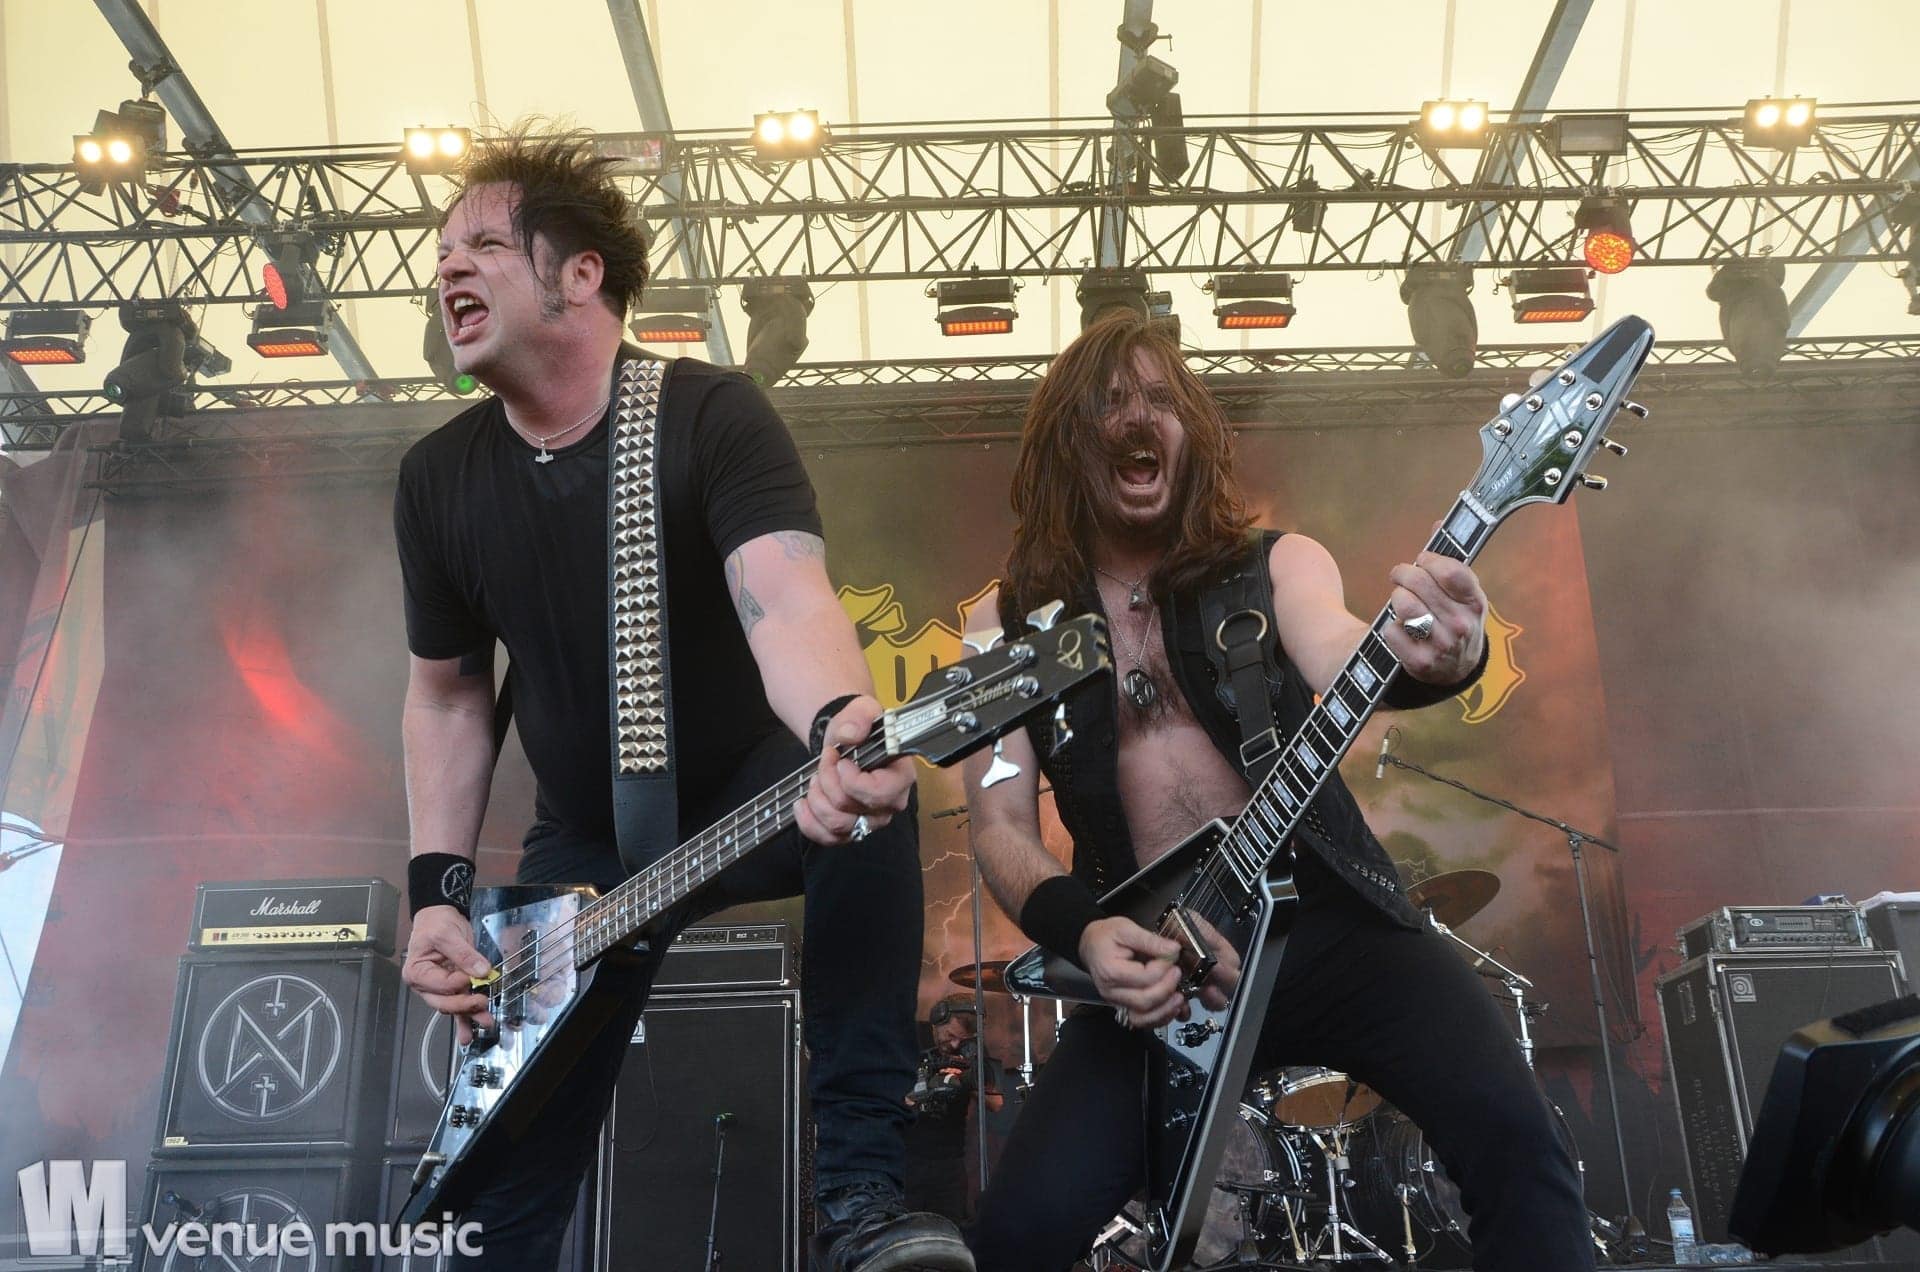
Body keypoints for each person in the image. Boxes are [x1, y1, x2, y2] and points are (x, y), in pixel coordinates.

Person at [392, 128, 972, 1272]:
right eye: (442, 249)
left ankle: (859, 1195)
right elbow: (448, 700)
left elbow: (784, 598)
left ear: (580, 275)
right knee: (491, 1210)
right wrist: (436, 897)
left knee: (868, 800)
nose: (447, 265)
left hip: (754, 784)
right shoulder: (438, 480)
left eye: (486, 245)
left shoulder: (708, 413)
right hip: (582, 842)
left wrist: (838, 728)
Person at [960, 313, 1592, 1271]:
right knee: (1014, 1237)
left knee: (1521, 1149)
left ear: (1193, 435)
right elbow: (1000, 827)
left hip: (1333, 928)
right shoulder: (1002, 628)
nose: (1140, 418)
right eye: (1111, 402)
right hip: (1158, 969)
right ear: (1066, 442)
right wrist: (1086, 936)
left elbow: (1347, 652)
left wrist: (1439, 655)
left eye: (1162, 400)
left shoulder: (1278, 563)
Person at [903, 995, 1005, 1224]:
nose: (955, 1045)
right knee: (905, 1228)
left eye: (962, 1039)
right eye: (950, 1036)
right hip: (909, 1159)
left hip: (950, 1162)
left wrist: (965, 1080)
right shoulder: (912, 1039)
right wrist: (927, 1089)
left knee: (949, 1227)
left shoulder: (971, 1050)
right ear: (936, 1023)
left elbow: (996, 1103)